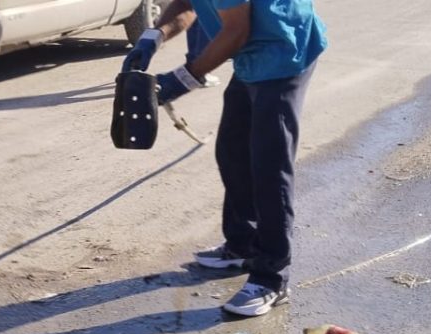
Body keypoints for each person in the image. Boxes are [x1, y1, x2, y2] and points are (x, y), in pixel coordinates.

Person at [121, 0, 327, 316]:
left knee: (269, 167)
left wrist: (181, 79)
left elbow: (236, 31)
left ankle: (271, 276)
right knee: (232, 150)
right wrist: (155, 35)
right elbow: (188, 3)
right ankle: (243, 243)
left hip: (283, 51)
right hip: (251, 53)